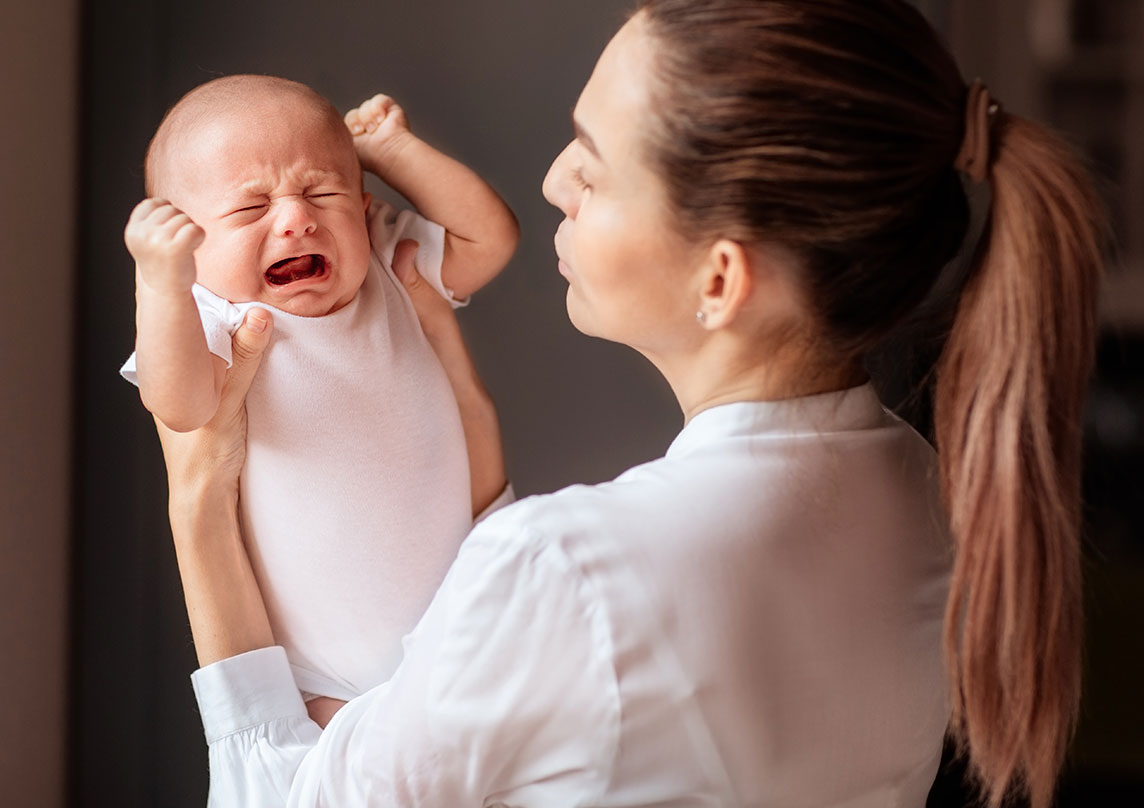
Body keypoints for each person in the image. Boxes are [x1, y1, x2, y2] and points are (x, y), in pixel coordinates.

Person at [157, 1, 1105, 805]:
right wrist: (476, 456)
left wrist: (197, 510)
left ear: (720, 277)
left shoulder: (563, 574)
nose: (552, 182)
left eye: (593, 161)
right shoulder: (928, 488)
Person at [120, 75, 518, 712]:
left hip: (468, 634)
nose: (296, 219)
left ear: (363, 207)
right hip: (325, 685)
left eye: (321, 191)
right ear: (191, 251)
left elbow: (490, 239)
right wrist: (161, 287)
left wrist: (393, 153)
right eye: (251, 209)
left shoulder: (386, 264)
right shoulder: (214, 318)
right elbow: (180, 405)